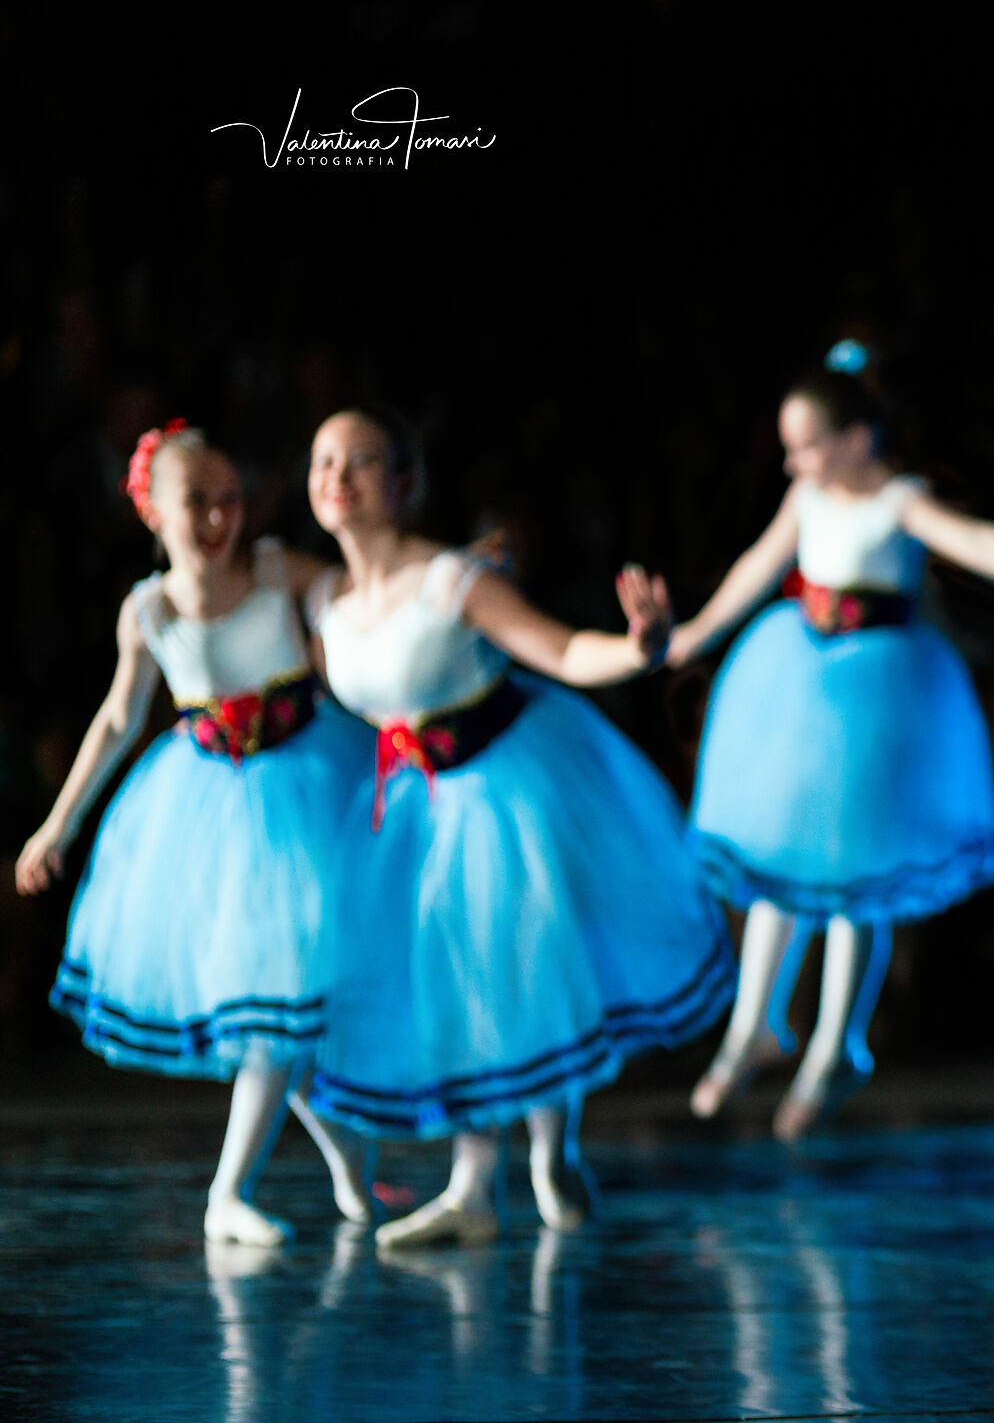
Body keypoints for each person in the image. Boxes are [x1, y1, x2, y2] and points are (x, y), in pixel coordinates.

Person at [302, 405, 735, 1247]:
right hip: (410, 805)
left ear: (401, 483)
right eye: (323, 462)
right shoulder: (318, 594)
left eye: (359, 461)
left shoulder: (452, 581)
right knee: (457, 981)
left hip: (502, 786)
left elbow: (567, 651)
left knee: (522, 967)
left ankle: (552, 1149)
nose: (338, 478)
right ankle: (474, 1187)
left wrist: (642, 647)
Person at [671, 354, 994, 1140]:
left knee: (858, 873)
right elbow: (756, 566)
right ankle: (754, 1027)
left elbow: (976, 540)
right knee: (780, 861)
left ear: (854, 438)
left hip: (877, 701)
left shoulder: (896, 500)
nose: (792, 461)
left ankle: (837, 1040)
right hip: (798, 685)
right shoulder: (805, 497)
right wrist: (695, 632)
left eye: (805, 445)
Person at [20, 420, 377, 1243]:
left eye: (230, 500)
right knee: (275, 1006)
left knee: (295, 1009)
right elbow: (117, 720)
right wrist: (59, 823)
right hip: (215, 819)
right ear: (153, 512)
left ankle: (343, 1165)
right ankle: (237, 1191)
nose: (220, 520)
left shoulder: (276, 567)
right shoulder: (147, 611)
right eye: (198, 505)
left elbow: (363, 603)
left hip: (317, 788)